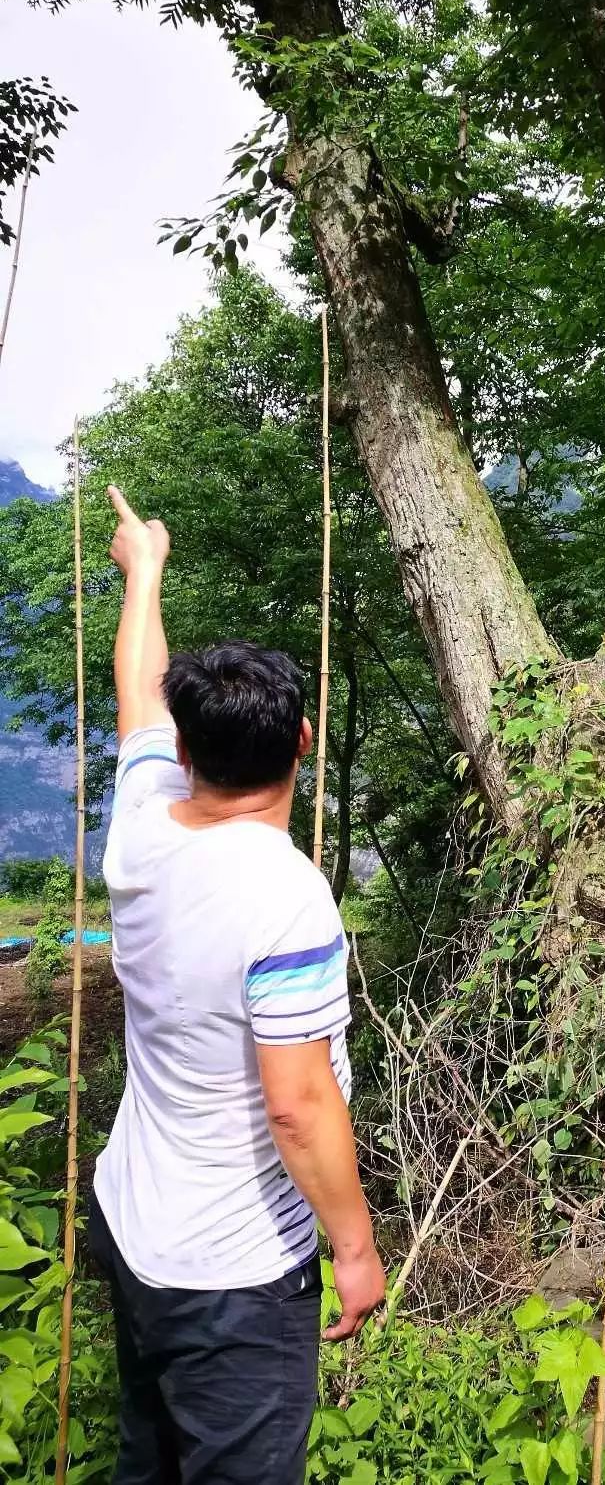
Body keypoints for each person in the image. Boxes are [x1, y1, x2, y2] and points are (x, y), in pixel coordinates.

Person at [89, 486, 385, 1485]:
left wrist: (146, 571)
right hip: (233, 1269)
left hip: (134, 1228)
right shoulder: (289, 900)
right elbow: (298, 1104)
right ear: (303, 743)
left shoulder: (139, 824)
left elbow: (137, 691)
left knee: (149, 1460)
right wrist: (352, 1243)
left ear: (183, 750)